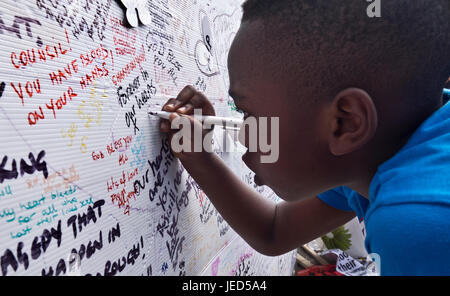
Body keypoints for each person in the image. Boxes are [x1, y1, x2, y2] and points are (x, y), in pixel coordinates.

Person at [159, 0, 450, 275]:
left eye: (247, 111)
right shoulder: (371, 155)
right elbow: (275, 230)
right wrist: (200, 158)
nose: (242, 132)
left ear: (344, 123)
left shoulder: (419, 223)